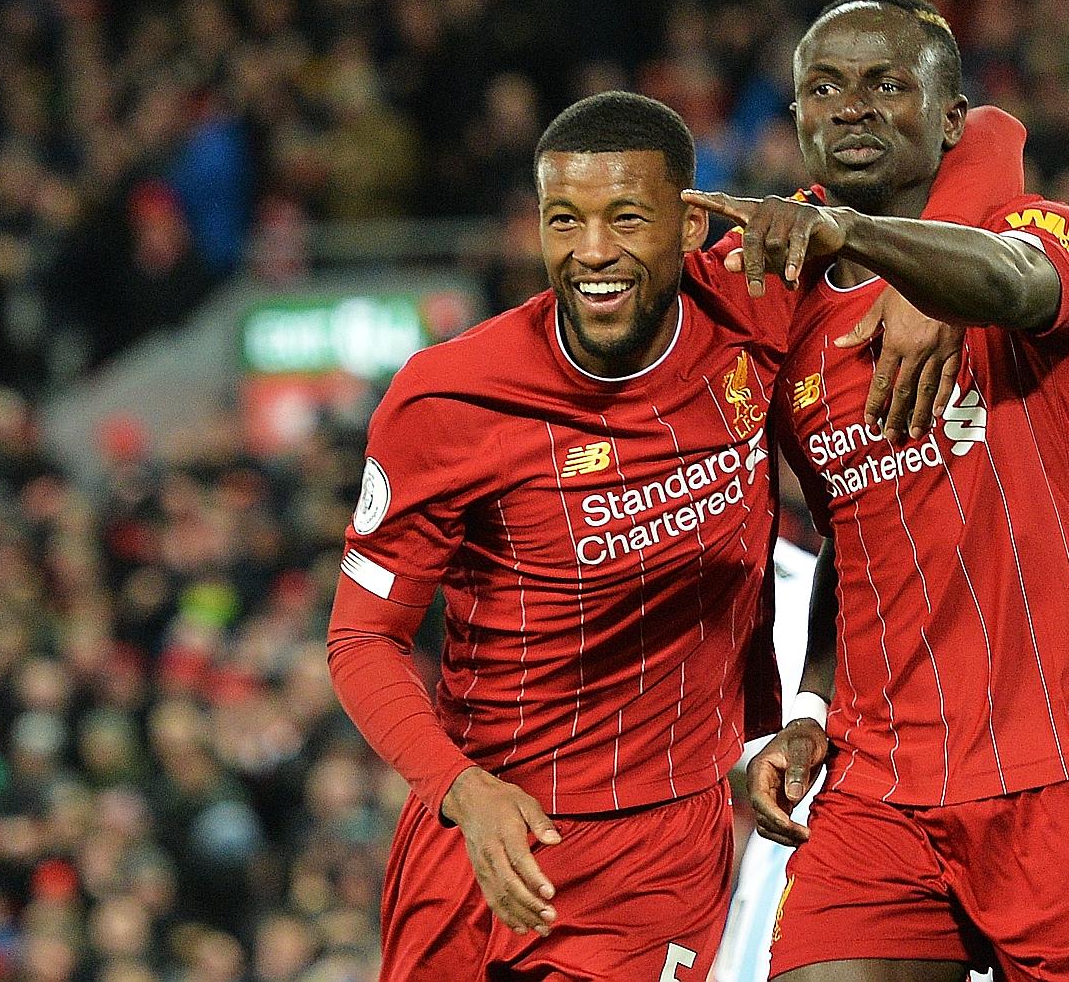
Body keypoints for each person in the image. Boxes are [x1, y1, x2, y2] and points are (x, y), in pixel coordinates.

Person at [324, 90, 952, 982]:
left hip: (654, 856)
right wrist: (460, 790)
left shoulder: (754, 300)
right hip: (477, 830)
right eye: (563, 220)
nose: (592, 253)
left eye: (626, 218)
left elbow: (967, 151)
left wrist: (932, 291)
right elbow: (361, 637)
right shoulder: (448, 401)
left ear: (691, 223)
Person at [685, 0, 1069, 981]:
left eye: (885, 85)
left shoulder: (1045, 228)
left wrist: (872, 248)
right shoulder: (790, 318)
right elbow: (846, 538)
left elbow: (1013, 279)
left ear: (949, 119)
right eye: (823, 88)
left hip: (1062, 769)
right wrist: (810, 704)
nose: (851, 107)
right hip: (880, 782)